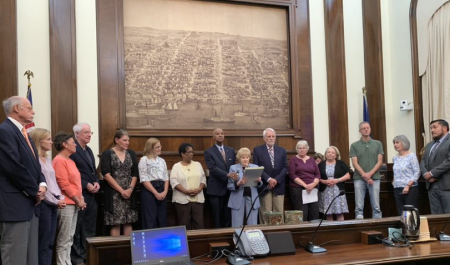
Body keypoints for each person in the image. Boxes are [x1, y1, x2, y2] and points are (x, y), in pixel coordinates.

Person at [0, 96, 46, 265]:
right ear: (17, 109)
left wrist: (42, 184)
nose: (33, 112)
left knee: (30, 256)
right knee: (15, 256)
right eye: (29, 107)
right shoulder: (5, 131)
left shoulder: (25, 134)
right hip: (15, 204)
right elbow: (13, 167)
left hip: (30, 204)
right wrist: (34, 190)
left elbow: (36, 165)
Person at [30, 128, 66, 265]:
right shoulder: (35, 159)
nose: (51, 142)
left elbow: (53, 182)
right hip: (44, 203)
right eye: (48, 139)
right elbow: (42, 186)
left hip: (53, 203)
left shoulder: (47, 159)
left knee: (51, 241)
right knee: (43, 242)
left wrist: (60, 199)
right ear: (39, 141)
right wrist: (54, 201)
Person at [53, 131, 86, 265]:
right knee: (63, 239)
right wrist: (78, 200)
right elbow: (64, 184)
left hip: (74, 203)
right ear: (64, 144)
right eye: (73, 142)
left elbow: (77, 183)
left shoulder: (70, 161)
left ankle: (67, 262)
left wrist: (81, 198)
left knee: (70, 237)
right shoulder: (59, 161)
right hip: (66, 204)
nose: (75, 145)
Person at [70, 122, 100, 265]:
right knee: (77, 228)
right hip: (78, 196)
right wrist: (85, 184)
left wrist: (96, 182)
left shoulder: (88, 150)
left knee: (89, 227)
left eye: (90, 132)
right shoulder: (72, 150)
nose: (89, 135)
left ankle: (88, 255)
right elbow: (71, 174)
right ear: (77, 134)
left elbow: (93, 171)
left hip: (92, 196)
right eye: (86, 132)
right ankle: (77, 258)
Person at [101, 129, 139, 236]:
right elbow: (106, 175)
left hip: (129, 193)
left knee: (128, 222)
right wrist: (122, 191)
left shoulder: (131, 153)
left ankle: (129, 250)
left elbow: (135, 173)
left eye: (128, 140)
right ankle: (116, 251)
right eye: (124, 140)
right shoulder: (107, 153)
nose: (127, 142)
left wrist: (130, 189)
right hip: (114, 194)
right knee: (115, 223)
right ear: (116, 140)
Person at [350, 121, 384, 219]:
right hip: (359, 178)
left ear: (370, 129)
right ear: (360, 131)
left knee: (376, 206)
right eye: (363, 128)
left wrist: (369, 174)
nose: (366, 129)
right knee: (359, 207)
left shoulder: (378, 143)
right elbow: (354, 163)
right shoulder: (354, 145)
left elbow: (380, 161)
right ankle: (359, 225)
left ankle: (378, 225)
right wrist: (365, 175)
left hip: (375, 178)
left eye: (367, 127)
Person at [253, 128, 288, 224]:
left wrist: (275, 180)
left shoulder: (282, 150)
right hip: (265, 185)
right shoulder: (257, 150)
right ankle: (265, 233)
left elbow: (285, 168)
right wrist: (268, 179)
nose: (271, 138)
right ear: (264, 138)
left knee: (279, 212)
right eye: (269, 136)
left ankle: (279, 234)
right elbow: (257, 167)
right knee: (266, 212)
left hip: (278, 185)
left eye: (273, 136)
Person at [204, 128, 236, 228]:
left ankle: (228, 235)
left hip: (229, 188)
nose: (220, 135)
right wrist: (227, 174)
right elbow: (212, 168)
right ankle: (218, 237)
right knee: (217, 216)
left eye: (222, 133)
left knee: (228, 215)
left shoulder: (230, 150)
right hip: (216, 189)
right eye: (217, 134)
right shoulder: (209, 152)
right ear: (213, 137)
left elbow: (233, 166)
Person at [170, 143, 206, 230]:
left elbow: (203, 179)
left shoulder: (197, 164)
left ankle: (198, 243)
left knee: (199, 225)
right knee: (183, 224)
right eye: (189, 152)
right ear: (182, 154)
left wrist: (199, 188)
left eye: (192, 152)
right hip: (182, 200)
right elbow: (174, 182)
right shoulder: (176, 166)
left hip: (197, 199)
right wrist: (186, 191)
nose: (191, 154)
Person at [420, 119, 450, 214]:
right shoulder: (429, 145)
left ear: (445, 128)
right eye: (431, 128)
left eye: (435, 127)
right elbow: (423, 161)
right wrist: (425, 174)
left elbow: (448, 161)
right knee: (436, 217)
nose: (432, 130)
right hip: (431, 186)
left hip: (446, 185)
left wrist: (432, 173)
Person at [138, 137, 169, 229]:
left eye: (160, 146)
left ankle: (161, 241)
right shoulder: (144, 160)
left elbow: (166, 178)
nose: (160, 149)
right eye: (157, 147)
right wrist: (155, 193)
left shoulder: (162, 160)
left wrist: (165, 192)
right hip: (149, 189)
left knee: (162, 218)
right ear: (150, 148)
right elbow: (144, 179)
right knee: (150, 218)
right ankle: (150, 242)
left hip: (162, 188)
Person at [228, 148, 262, 227]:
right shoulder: (233, 168)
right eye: (243, 158)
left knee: (253, 225)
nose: (245, 159)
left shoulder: (255, 167)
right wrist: (238, 184)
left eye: (247, 157)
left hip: (252, 198)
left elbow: (260, 184)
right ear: (239, 159)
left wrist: (259, 181)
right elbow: (229, 186)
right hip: (237, 198)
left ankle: (252, 239)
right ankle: (237, 239)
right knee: (237, 225)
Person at [288, 140, 320, 221]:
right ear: (297, 149)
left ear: (307, 149)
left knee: (314, 213)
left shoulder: (312, 160)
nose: (302, 150)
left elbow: (317, 175)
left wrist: (313, 184)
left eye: (304, 148)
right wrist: (305, 186)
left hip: (313, 189)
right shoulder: (293, 159)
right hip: (298, 190)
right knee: (302, 214)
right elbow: (292, 175)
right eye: (300, 148)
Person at [318, 146, 350, 221]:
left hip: (338, 191)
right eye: (328, 152)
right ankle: (330, 231)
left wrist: (337, 180)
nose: (330, 154)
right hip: (326, 191)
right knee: (328, 213)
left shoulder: (341, 163)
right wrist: (324, 181)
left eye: (332, 152)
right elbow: (317, 177)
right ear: (325, 154)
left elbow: (348, 176)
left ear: (336, 155)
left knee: (339, 212)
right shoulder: (321, 165)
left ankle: (342, 230)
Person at [392, 135, 420, 215]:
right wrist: (394, 182)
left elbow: (417, 172)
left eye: (397, 142)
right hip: (397, 188)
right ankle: (403, 227)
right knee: (401, 212)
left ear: (404, 143)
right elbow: (395, 171)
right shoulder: (395, 158)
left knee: (410, 213)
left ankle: (412, 228)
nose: (395, 145)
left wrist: (408, 185)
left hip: (410, 188)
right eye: (394, 143)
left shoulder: (412, 156)